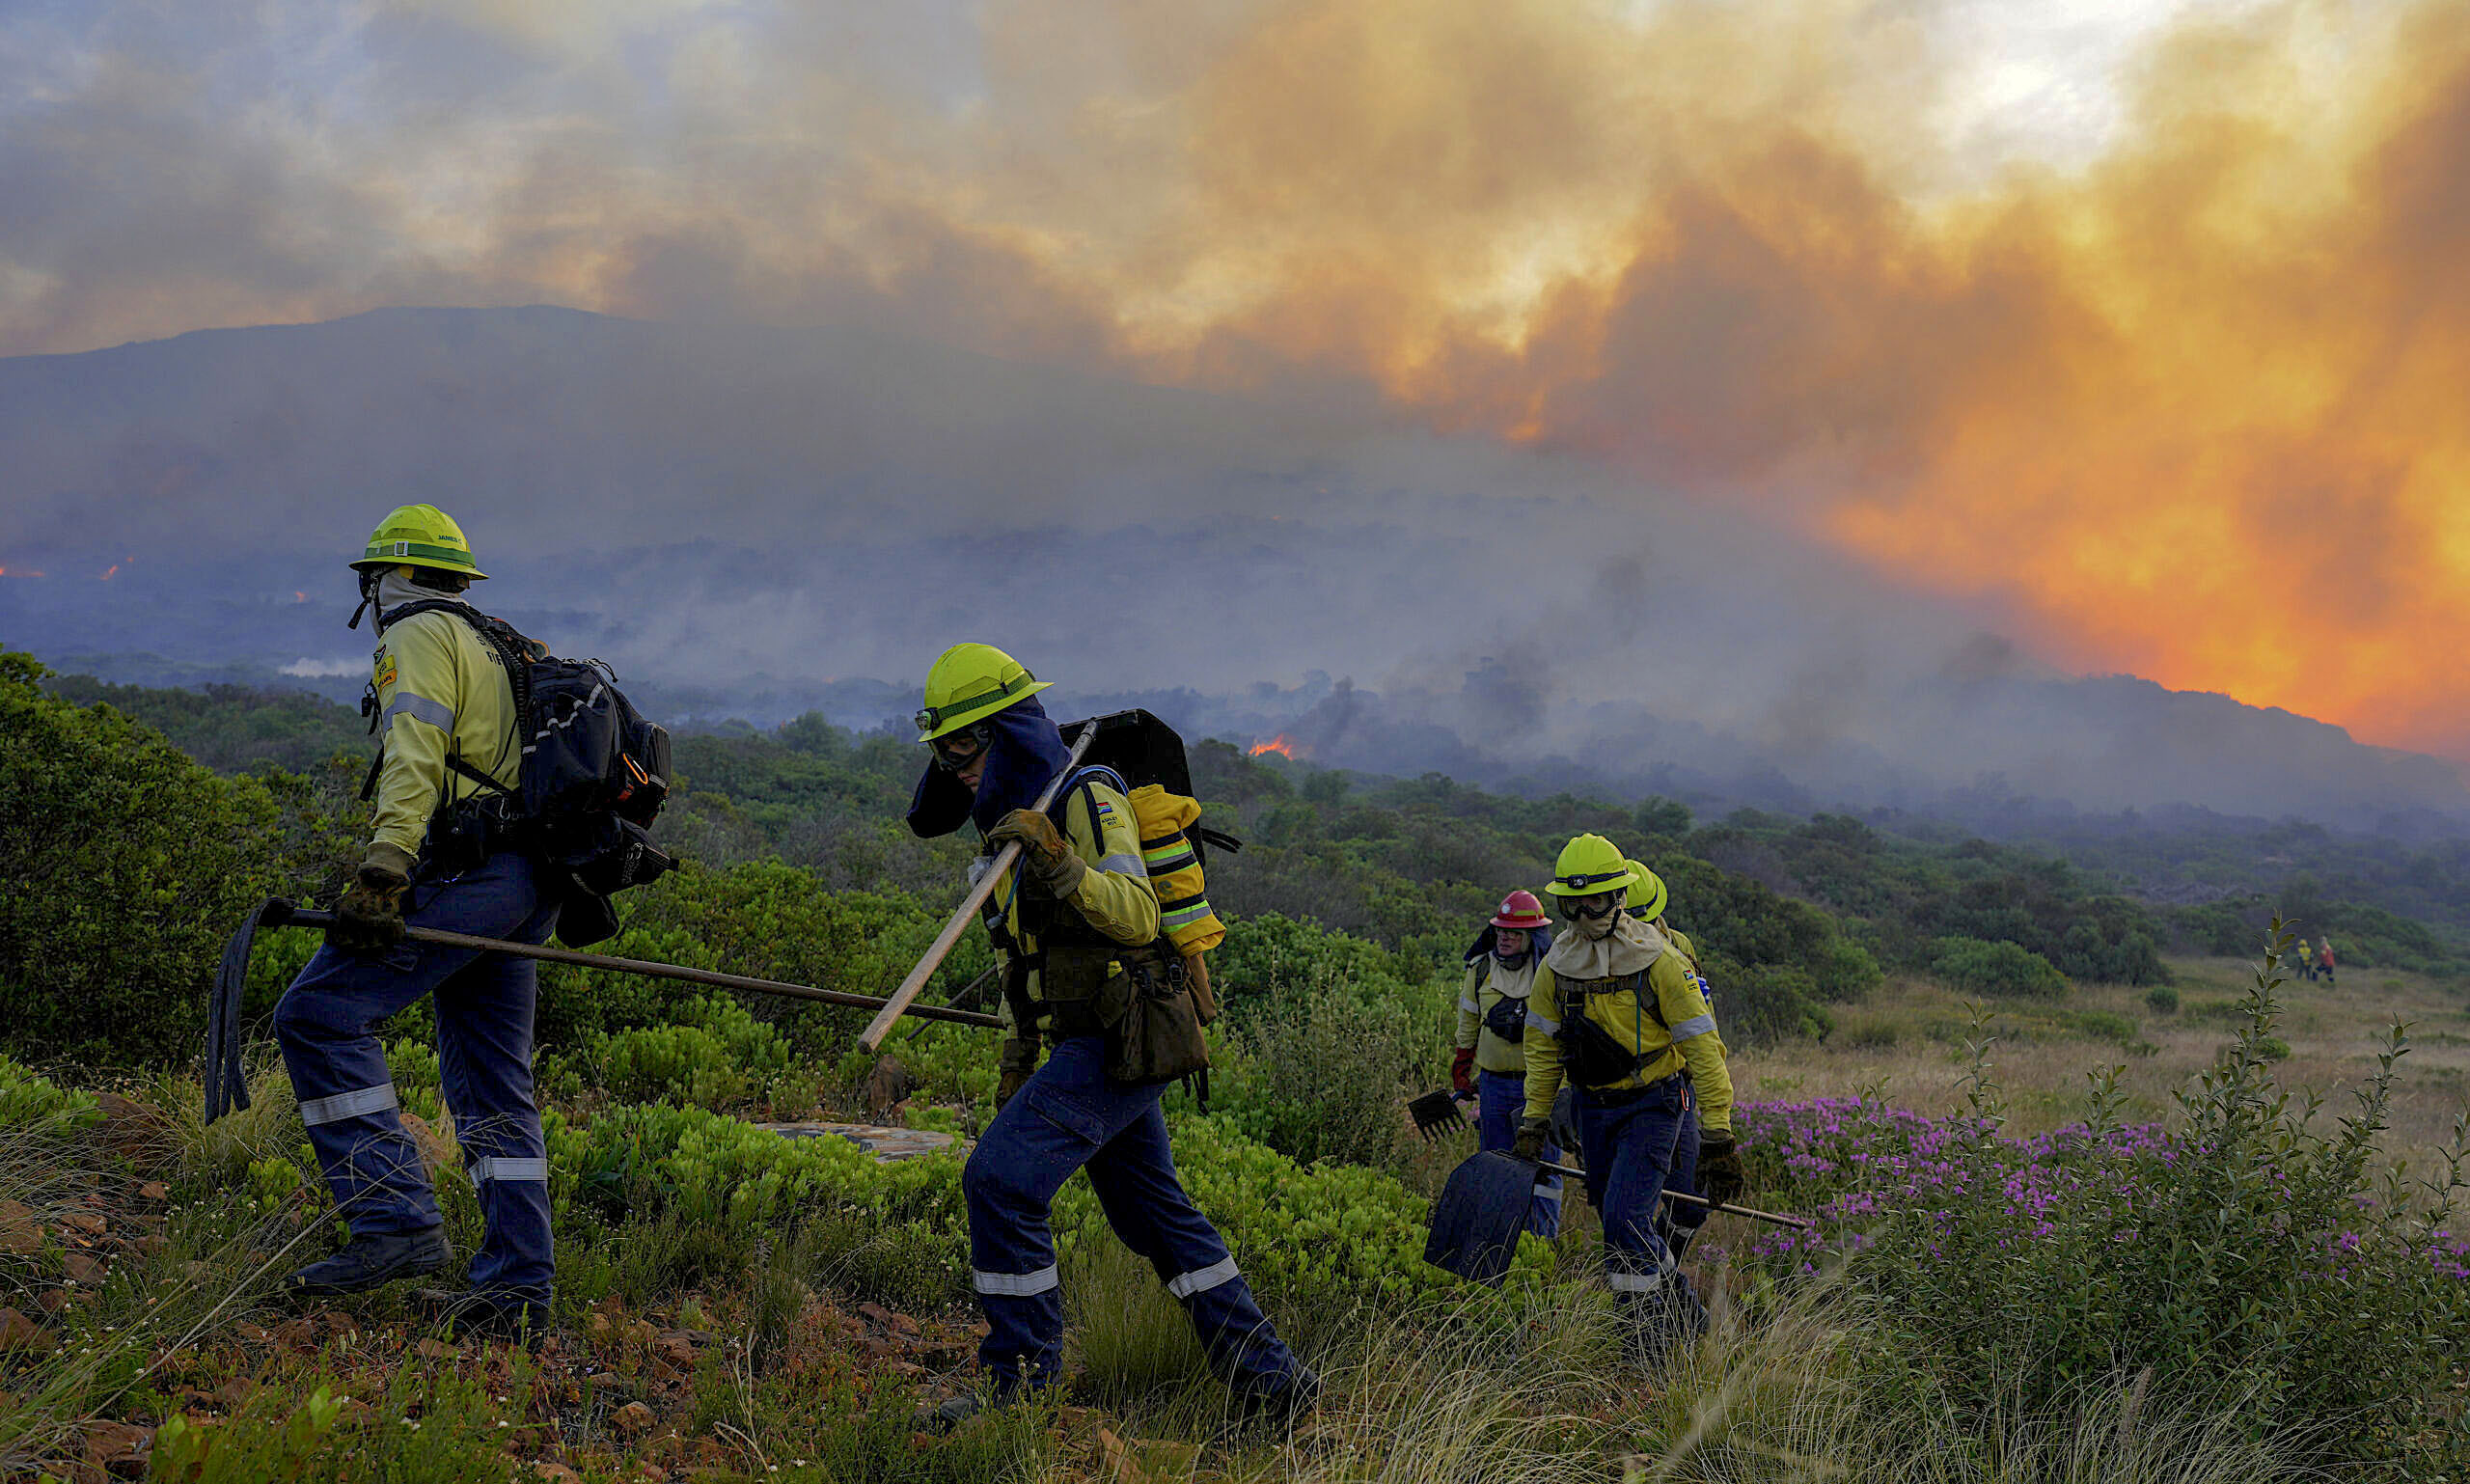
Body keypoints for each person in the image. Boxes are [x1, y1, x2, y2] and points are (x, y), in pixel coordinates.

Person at [905, 643, 1316, 1429]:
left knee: (1000, 1182)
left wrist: (1058, 858)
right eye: (941, 751)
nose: (953, 767)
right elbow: (1026, 960)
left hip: (1128, 1032)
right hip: (1086, 1035)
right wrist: (1019, 1055)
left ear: (1005, 733)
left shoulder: (1086, 797)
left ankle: (1020, 1394)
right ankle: (1275, 1382)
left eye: (963, 746)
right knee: (1152, 1215)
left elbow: (1136, 915)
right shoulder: (1012, 817)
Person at [272, 505, 560, 1338]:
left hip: (470, 869)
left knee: (319, 1015)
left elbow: (416, 748)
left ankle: (392, 1220)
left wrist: (386, 864)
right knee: (492, 1080)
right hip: (526, 878)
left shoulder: (419, 632)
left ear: (385, 578)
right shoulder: (494, 638)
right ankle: (516, 1295)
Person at [1517, 834, 1743, 1368]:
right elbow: (1542, 1050)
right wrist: (1534, 1122)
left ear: (1618, 897)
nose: (1582, 916)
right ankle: (1686, 1319)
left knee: (1625, 1220)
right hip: (1593, 1109)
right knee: (1616, 1222)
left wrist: (1717, 1135)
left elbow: (1704, 1048)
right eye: (1571, 904)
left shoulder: (1660, 961)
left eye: (1593, 902)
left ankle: (1645, 1349)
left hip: (1654, 1105)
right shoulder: (1557, 967)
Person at [1452, 891, 1562, 1237]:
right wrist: (1462, 1068)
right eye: (1501, 930)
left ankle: (1540, 1243)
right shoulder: (1481, 970)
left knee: (1544, 1169)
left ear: (1532, 936)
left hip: (1541, 1088)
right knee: (1496, 1164)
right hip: (1495, 1085)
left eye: (1514, 933)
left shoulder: (1552, 972)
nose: (1505, 937)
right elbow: (1468, 1022)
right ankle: (1495, 1241)